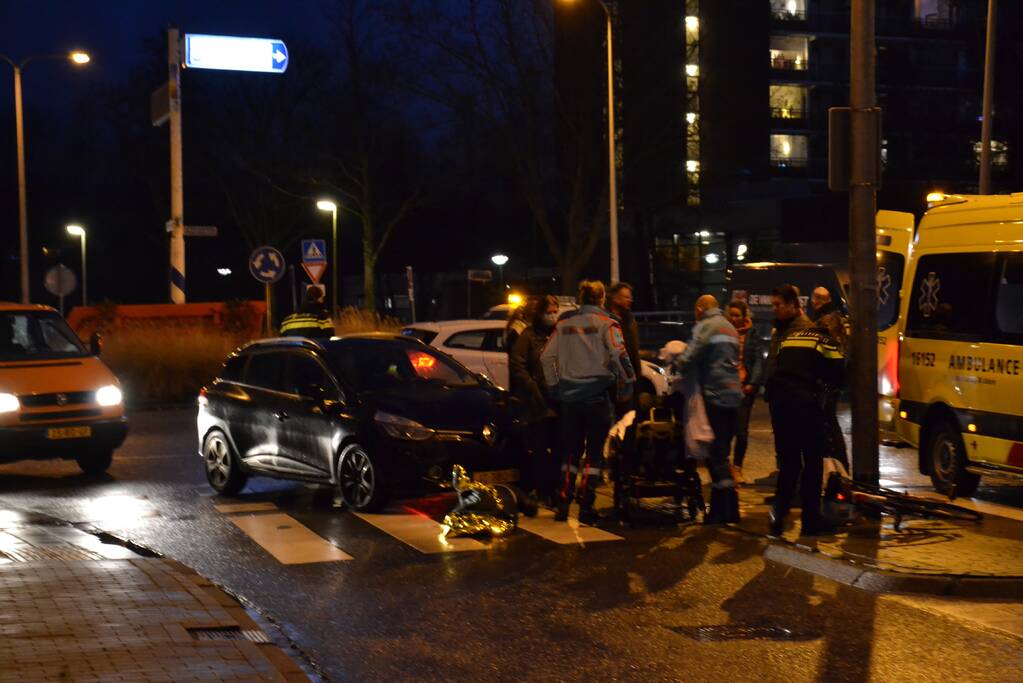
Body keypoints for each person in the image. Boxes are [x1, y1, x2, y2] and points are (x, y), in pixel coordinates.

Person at [541, 280, 635, 523]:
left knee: (571, 452)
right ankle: (586, 505)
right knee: (594, 455)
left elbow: (546, 357)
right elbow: (619, 354)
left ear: (580, 298)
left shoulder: (563, 324)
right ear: (602, 299)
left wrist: (554, 386)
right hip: (597, 397)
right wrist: (629, 380)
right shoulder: (608, 323)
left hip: (570, 399)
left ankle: (563, 502)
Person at [765, 313, 846, 537]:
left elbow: (778, 366)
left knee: (789, 463)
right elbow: (839, 377)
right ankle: (811, 520)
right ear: (836, 332)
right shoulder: (828, 342)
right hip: (805, 403)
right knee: (812, 462)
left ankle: (777, 515)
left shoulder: (791, 338)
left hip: (779, 403)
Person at [674, 294, 743, 524]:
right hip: (733, 394)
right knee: (723, 453)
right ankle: (724, 509)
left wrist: (677, 363)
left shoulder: (705, 326)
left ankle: (727, 510)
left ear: (700, 308)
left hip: (714, 394)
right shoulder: (730, 327)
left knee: (715, 456)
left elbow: (690, 356)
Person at [509, 294, 560, 506]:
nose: (553, 316)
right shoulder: (529, 336)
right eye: (549, 312)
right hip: (538, 403)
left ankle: (555, 490)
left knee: (558, 448)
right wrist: (532, 387)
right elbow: (517, 364)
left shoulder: (559, 334)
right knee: (539, 449)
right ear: (540, 313)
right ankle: (542, 490)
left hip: (558, 400)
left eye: (555, 311)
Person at [726, 300, 765, 485]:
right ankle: (725, 467)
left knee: (741, 432)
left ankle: (737, 467)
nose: (733, 318)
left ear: (744, 317)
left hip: (744, 388)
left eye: (737, 315)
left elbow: (757, 360)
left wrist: (752, 383)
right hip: (726, 388)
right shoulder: (724, 331)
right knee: (726, 431)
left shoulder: (752, 334)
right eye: (731, 314)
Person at [607, 283, 641, 412]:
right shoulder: (606, 321)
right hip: (615, 381)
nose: (630, 300)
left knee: (628, 416)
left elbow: (632, 348)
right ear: (615, 298)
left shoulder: (629, 320)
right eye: (626, 297)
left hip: (630, 378)